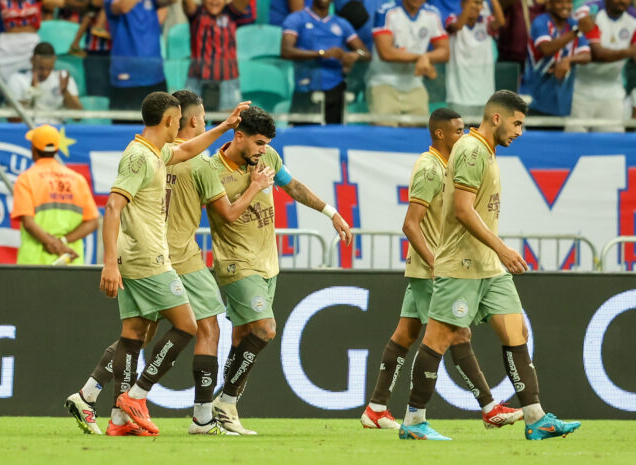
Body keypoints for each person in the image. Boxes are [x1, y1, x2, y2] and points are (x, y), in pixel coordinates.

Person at [64, 91, 273, 436]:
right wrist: (108, 263)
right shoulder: (163, 160)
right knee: (198, 326)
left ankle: (101, 405)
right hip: (160, 256)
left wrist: (225, 126)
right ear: (179, 120)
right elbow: (114, 206)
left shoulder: (157, 153)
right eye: (200, 118)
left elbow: (184, 150)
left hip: (140, 253)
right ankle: (176, 409)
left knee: (137, 334)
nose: (197, 123)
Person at [398, 90, 581, 441]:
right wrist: (503, 248)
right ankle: (413, 420)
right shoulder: (470, 150)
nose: (519, 132)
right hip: (462, 264)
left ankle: (536, 418)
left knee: (516, 332)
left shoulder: (487, 150)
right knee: (438, 339)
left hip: (489, 267)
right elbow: (462, 210)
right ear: (496, 118)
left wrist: (496, 254)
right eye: (517, 123)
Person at [360, 108, 523, 430]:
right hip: (433, 267)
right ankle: (489, 407)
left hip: (429, 266)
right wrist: (435, 263)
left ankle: (376, 408)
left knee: (406, 334)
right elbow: (410, 224)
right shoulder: (430, 168)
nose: (463, 136)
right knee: (458, 333)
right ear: (440, 134)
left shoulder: (450, 165)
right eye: (458, 131)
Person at [207, 106, 353, 434]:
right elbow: (227, 215)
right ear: (239, 136)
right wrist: (255, 186)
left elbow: (292, 186)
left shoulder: (268, 158)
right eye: (259, 143)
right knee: (265, 329)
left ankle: (218, 411)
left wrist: (331, 213)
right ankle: (225, 402)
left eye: (267, 144)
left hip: (267, 264)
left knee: (243, 338)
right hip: (236, 262)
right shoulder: (213, 170)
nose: (264, 150)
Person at [10, 124, 99, 265]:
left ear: (33, 148)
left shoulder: (26, 179)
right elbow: (93, 222)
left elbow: (28, 223)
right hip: (69, 261)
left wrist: (52, 243)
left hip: (34, 263)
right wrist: (62, 242)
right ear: (56, 150)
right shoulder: (78, 180)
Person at [281, 0, 370, 124]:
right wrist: (321, 54)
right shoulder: (297, 19)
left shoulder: (341, 23)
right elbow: (286, 51)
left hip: (336, 88)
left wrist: (354, 55)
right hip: (306, 87)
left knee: (333, 134)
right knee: (303, 133)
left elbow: (365, 53)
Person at [367, 0, 449, 125]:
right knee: (384, 132)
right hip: (383, 83)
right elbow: (386, 53)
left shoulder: (432, 13)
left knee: (419, 132)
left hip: (414, 84)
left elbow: (445, 52)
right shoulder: (385, 12)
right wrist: (421, 58)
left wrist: (426, 57)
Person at [567, 0, 636, 132]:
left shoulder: (633, 17)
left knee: (612, 142)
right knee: (574, 140)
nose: (623, 1)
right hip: (581, 90)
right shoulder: (588, 11)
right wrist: (630, 51)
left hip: (613, 91)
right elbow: (597, 54)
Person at [519, 0, 591, 119]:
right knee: (533, 131)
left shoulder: (573, 24)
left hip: (560, 101)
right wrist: (576, 32)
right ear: (549, 4)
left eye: (569, 2)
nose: (565, 6)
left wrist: (568, 60)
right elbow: (546, 48)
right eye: (559, 2)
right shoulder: (541, 22)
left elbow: (586, 55)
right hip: (534, 98)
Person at [181, 0, 255, 112]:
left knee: (229, 119)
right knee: (191, 119)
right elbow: (187, 4)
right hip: (197, 80)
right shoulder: (197, 14)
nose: (215, 1)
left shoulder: (231, 13)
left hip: (228, 81)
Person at [104, 0, 171, 114]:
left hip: (155, 77)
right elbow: (122, 7)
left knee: (161, 124)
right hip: (126, 81)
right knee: (125, 125)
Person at [445, 0, 505, 118]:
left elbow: (501, 22)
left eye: (479, 3)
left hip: (484, 97)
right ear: (462, 4)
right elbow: (458, 26)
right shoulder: (452, 19)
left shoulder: (486, 22)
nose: (475, 6)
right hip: (458, 97)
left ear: (483, 6)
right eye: (471, 2)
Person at [6, 42, 83, 124]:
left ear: (54, 61)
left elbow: (78, 117)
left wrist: (65, 92)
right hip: (28, 128)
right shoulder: (17, 79)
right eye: (40, 68)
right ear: (32, 60)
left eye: (49, 68)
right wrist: (31, 91)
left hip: (56, 128)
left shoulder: (63, 78)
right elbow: (13, 120)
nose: (45, 73)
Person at [0, 0, 63, 82]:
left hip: (30, 45)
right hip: (7, 46)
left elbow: (65, 3)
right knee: (2, 81)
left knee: (30, 80)